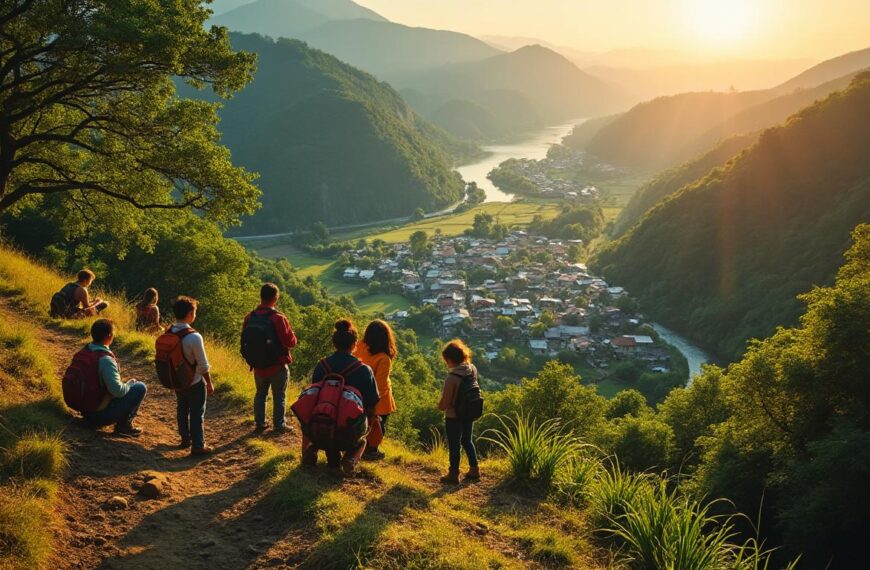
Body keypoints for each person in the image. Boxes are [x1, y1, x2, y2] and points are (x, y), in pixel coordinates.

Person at [302, 320, 379, 474]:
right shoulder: (364, 370)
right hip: (348, 431)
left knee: (325, 420)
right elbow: (373, 401)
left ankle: (313, 448)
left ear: (334, 343)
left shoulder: (322, 365)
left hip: (319, 427)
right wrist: (372, 419)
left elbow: (314, 394)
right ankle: (351, 458)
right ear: (354, 344)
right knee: (362, 438)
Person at [242, 283, 298, 433]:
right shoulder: (278, 318)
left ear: (261, 296)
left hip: (258, 365)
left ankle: (260, 423)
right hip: (277, 365)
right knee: (279, 395)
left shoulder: (249, 317)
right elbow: (290, 342)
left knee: (260, 394)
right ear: (276, 298)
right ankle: (279, 425)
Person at [80, 319, 147, 436]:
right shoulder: (105, 360)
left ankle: (93, 418)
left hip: (84, 409)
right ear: (109, 336)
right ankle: (124, 426)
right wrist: (130, 384)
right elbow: (118, 392)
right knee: (140, 387)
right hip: (98, 414)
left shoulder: (85, 351)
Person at [169, 296, 214, 455]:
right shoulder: (194, 336)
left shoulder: (169, 331)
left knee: (182, 408)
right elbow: (202, 364)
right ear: (190, 313)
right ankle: (198, 445)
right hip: (194, 381)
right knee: (197, 413)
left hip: (177, 380)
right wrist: (208, 382)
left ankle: (185, 439)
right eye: (194, 312)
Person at [437, 339, 480, 484]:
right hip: (469, 412)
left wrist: (439, 405)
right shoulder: (472, 369)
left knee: (454, 445)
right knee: (467, 440)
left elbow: (444, 404)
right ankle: (474, 469)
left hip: (454, 416)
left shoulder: (452, 378)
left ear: (449, 359)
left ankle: (453, 474)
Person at [354, 319, 397, 461]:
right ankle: (371, 451)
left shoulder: (359, 347)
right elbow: (381, 385)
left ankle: (358, 448)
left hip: (356, 395)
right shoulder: (383, 358)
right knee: (378, 426)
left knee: (359, 424)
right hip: (378, 400)